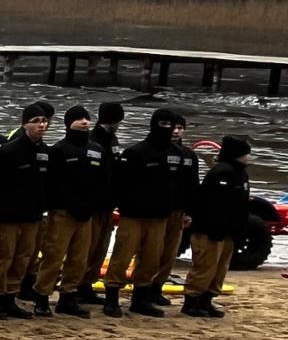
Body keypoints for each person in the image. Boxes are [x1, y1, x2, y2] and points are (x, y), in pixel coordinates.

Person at [106, 108, 186, 318]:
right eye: (163, 124)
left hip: (160, 216)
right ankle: (112, 297)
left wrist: (183, 210)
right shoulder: (135, 152)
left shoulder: (177, 154)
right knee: (122, 256)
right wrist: (123, 207)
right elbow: (120, 184)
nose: (168, 128)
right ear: (153, 124)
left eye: (171, 124)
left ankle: (141, 299)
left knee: (151, 259)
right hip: (133, 215)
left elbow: (181, 185)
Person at [36, 106, 107, 318]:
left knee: (79, 258)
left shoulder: (97, 149)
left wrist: (95, 206)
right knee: (53, 257)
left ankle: (68, 297)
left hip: (87, 216)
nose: (84, 122)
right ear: (69, 123)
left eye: (87, 118)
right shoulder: (59, 149)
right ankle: (42, 297)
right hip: (63, 213)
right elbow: (52, 183)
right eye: (79, 119)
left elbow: (102, 181)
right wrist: (60, 206)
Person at [0, 102, 52, 319]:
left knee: (23, 258)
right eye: (36, 121)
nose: (41, 125)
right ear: (25, 124)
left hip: (33, 216)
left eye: (44, 121)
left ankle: (11, 297)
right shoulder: (9, 150)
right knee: (3, 256)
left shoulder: (45, 151)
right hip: (8, 216)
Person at [182, 136, 251, 318]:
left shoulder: (242, 174)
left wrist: (240, 230)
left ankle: (207, 300)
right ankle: (191, 301)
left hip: (229, 232)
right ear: (237, 154)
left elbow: (241, 206)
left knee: (220, 268)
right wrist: (212, 228)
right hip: (210, 231)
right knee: (205, 266)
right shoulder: (220, 173)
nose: (249, 157)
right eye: (246, 154)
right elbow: (210, 205)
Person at [147, 114, 201, 305]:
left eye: (180, 128)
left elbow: (193, 185)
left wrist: (190, 212)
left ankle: (157, 287)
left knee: (170, 253)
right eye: (173, 127)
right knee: (150, 251)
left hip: (178, 210)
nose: (176, 131)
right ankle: (144, 287)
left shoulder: (188, 155)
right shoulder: (152, 151)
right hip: (155, 210)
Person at [77, 101, 125, 303]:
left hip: (108, 203)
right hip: (95, 205)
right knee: (88, 246)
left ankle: (88, 282)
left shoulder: (112, 139)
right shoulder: (94, 139)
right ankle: (80, 284)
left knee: (101, 247)